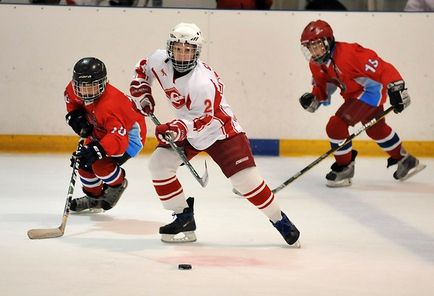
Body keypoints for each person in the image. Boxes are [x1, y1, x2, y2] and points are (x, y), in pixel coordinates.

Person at [129, 22, 299, 246]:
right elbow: (143, 69)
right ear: (170, 47)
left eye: (188, 50)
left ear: (196, 52)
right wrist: (142, 92)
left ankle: (280, 220)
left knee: (244, 182)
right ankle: (183, 217)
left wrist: (177, 128)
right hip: (188, 128)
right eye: (178, 48)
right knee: (159, 165)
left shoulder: (202, 83)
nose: (182, 54)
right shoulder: (159, 60)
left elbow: (205, 120)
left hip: (221, 131)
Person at [298, 19, 425, 187]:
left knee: (336, 125)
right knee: (375, 129)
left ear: (328, 41)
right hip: (354, 96)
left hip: (370, 92)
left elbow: (383, 68)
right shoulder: (316, 64)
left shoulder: (350, 54)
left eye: (317, 46)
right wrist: (314, 98)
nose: (314, 51)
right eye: (310, 48)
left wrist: (396, 88)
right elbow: (323, 87)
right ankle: (405, 160)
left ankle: (344, 167)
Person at [64, 57, 147, 212]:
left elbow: (118, 138)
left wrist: (98, 150)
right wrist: (76, 116)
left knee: (100, 165)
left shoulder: (112, 103)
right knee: (83, 163)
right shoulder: (73, 90)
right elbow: (72, 103)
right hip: (101, 128)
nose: (87, 92)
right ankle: (93, 198)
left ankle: (118, 184)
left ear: (103, 83)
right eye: (83, 87)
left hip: (129, 136)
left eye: (93, 87)